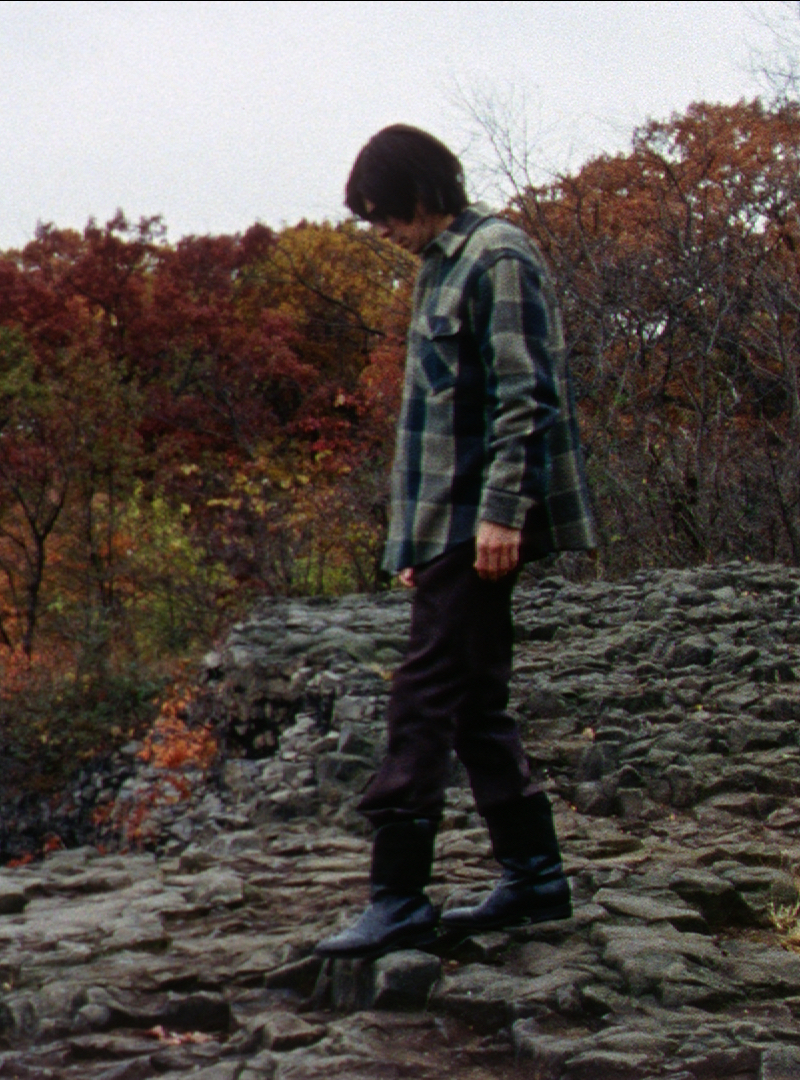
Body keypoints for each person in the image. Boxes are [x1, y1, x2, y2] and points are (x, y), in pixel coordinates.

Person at [314, 124, 598, 959]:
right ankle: (536, 877)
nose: (381, 233)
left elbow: (526, 396)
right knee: (474, 698)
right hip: (445, 526)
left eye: (383, 215)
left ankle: (397, 897)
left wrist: (502, 514)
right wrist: (411, 541)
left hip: (484, 522)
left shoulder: (498, 256)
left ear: (422, 192)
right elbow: (430, 419)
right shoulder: (439, 266)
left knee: (423, 695)